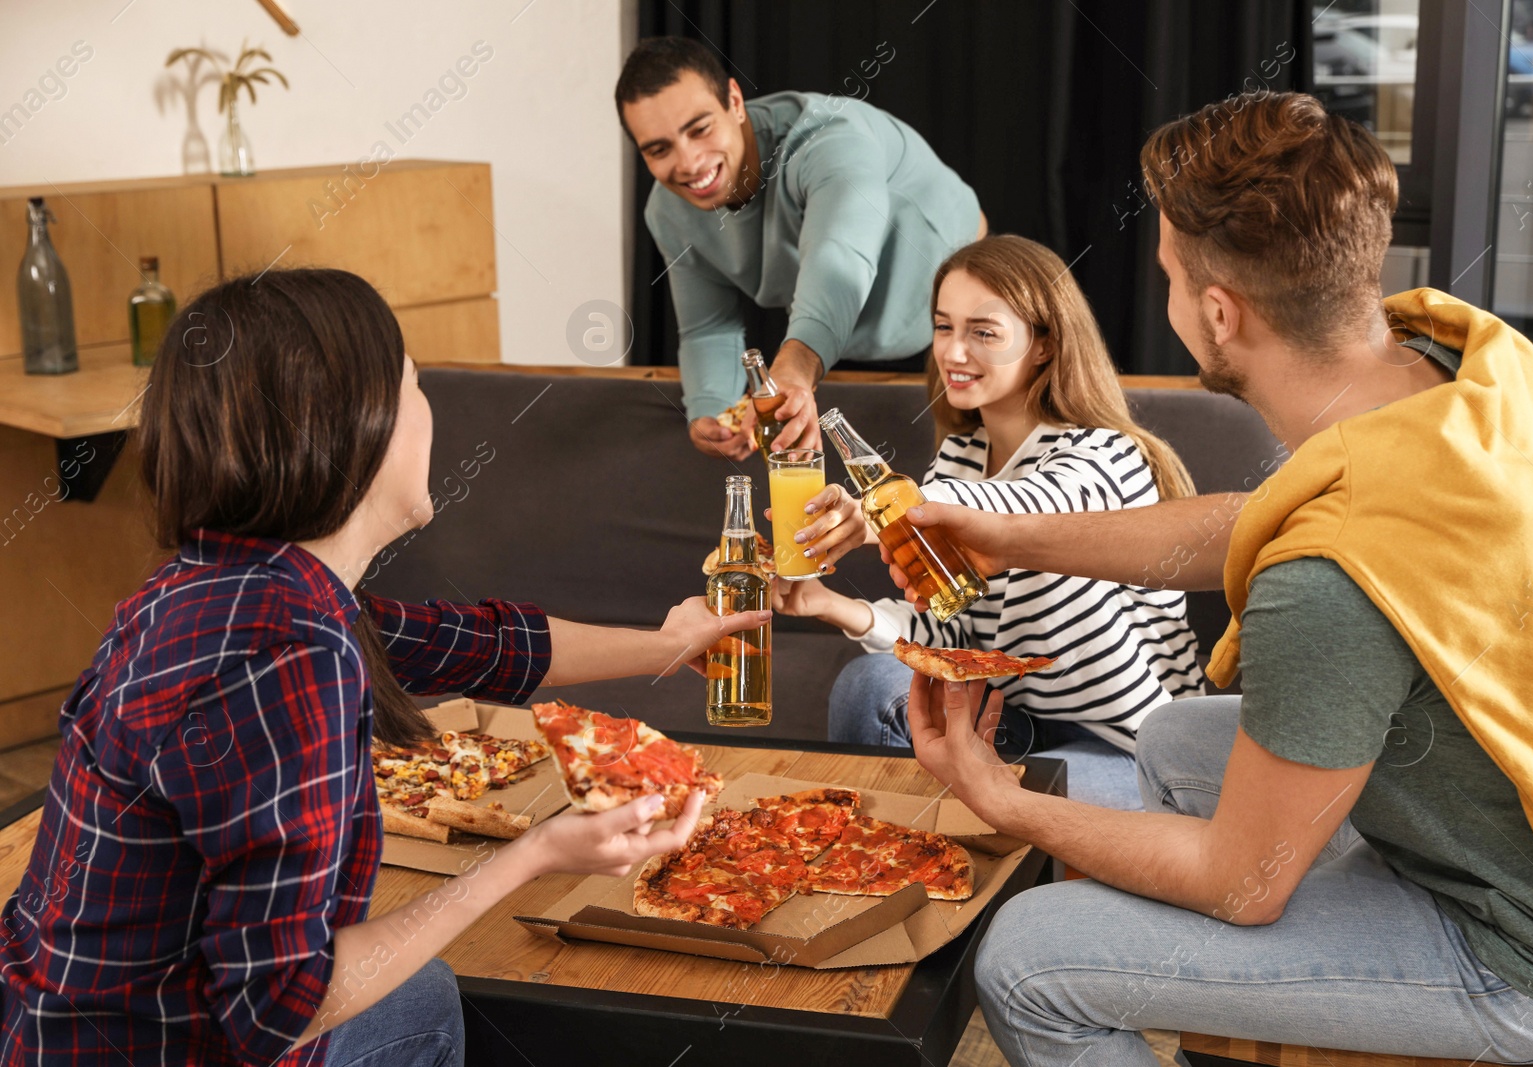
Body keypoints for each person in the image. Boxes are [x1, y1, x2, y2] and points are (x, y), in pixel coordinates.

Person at [885, 93, 1533, 1062]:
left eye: (1171, 275)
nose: (1166, 290)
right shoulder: (1467, 365)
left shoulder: (1325, 580)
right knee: (1177, 735)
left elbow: (1245, 880)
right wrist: (1010, 538)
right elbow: (1247, 526)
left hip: (1521, 951)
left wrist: (1003, 799)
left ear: (1218, 314)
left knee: (1022, 957)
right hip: (1527, 818)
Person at [0, 269, 769, 1067]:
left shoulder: (235, 583)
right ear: (350, 430)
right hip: (153, 1049)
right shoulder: (290, 657)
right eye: (415, 386)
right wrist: (533, 854)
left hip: (50, 1023)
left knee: (424, 994)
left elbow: (481, 645)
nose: (430, 411)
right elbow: (273, 1012)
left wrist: (670, 641)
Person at [771, 235, 1202, 810]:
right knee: (868, 683)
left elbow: (1032, 508)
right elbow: (958, 634)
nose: (953, 352)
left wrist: (878, 514)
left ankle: (920, 848)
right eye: (944, 327)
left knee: (1014, 794)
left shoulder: (1106, 455)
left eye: (984, 332)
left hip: (1130, 754)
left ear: (1044, 344)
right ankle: (890, 864)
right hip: (1013, 727)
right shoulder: (960, 459)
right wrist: (827, 605)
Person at [615, 36, 986, 459]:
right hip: (829, 344)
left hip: (948, 331)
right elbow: (709, 326)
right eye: (659, 149)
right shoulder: (668, 209)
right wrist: (711, 410)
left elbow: (838, 259)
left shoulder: (830, 140)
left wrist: (792, 370)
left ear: (734, 102)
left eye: (699, 129)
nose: (689, 163)